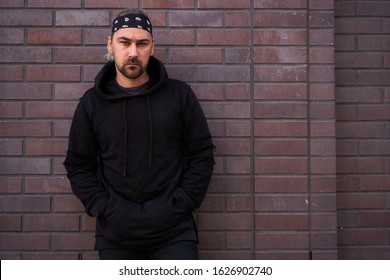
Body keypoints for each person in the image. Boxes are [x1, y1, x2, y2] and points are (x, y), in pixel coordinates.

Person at [63, 8, 215, 260]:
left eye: (141, 43)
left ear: (152, 47)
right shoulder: (92, 104)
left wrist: (180, 203)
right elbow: (78, 165)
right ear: (110, 44)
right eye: (125, 42)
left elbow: (202, 156)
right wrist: (106, 208)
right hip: (115, 234)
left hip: (174, 232)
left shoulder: (179, 95)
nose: (133, 52)